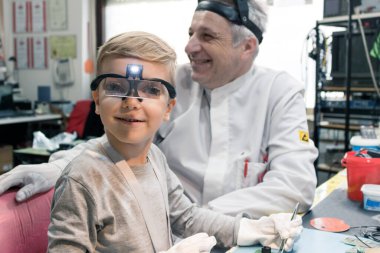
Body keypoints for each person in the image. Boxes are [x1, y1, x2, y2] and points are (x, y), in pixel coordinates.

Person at [0, 0, 318, 219]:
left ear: (246, 47)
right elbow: (114, 146)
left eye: (207, 36)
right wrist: (57, 169)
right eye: (191, 33)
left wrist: (204, 219)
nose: (190, 47)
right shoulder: (171, 82)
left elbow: (295, 186)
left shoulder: (280, 92)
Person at [47, 31, 302, 253]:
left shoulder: (155, 158)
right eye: (116, 86)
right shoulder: (81, 181)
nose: (131, 101)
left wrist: (249, 229)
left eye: (151, 90)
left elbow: (186, 217)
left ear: (169, 107)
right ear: (97, 99)